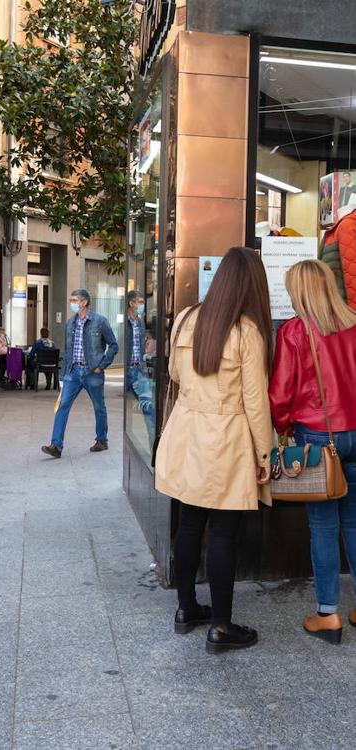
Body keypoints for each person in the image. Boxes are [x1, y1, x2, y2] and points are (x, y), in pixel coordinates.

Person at [155, 247, 273, 653]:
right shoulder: (247, 331)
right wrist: (265, 454)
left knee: (189, 523)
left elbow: (173, 374)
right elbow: (256, 402)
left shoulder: (186, 319)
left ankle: (187, 609)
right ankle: (221, 626)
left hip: (187, 432)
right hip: (226, 437)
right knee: (223, 533)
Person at [269, 259, 356, 644]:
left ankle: (328, 614)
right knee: (354, 523)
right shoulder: (353, 324)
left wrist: (283, 427)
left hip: (318, 438)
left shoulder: (294, 332)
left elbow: (280, 394)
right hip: (355, 432)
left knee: (323, 527)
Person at [41, 289, 118, 457]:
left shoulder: (100, 321)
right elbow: (67, 352)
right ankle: (56, 445)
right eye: (71, 300)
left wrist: (101, 365)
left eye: (75, 300)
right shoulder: (70, 323)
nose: (72, 303)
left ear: (84, 302)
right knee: (62, 407)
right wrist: (62, 377)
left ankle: (102, 440)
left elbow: (113, 345)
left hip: (92, 372)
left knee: (99, 407)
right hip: (73, 372)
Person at [125, 290, 155, 444]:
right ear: (131, 304)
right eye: (140, 302)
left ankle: (153, 449)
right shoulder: (124, 321)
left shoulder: (140, 322)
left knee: (148, 410)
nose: (143, 306)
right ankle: (101, 439)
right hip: (127, 369)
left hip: (139, 371)